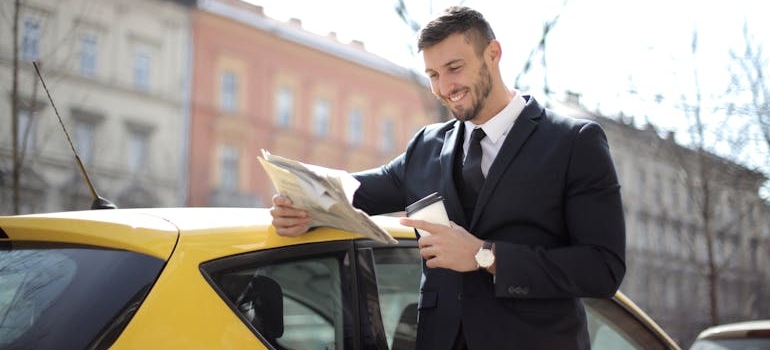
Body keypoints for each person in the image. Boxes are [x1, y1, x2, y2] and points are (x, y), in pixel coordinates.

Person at [270, 5, 625, 350]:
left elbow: (602, 268)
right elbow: (350, 193)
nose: (444, 87)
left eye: (454, 68)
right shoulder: (425, 147)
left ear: (493, 53)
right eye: (433, 75)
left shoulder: (573, 142)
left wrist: (486, 256)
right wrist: (301, 207)